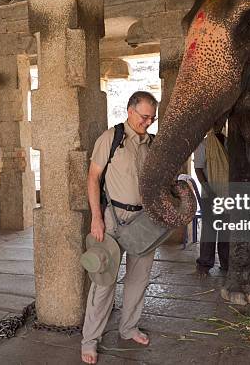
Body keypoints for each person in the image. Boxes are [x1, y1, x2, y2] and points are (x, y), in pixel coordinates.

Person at [81, 91, 158, 364]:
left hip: (144, 221)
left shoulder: (153, 144)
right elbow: (92, 178)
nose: (148, 122)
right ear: (130, 111)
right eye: (144, 116)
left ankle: (129, 328)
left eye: (152, 118)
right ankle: (90, 340)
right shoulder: (110, 138)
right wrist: (96, 218)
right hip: (112, 219)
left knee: (139, 279)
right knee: (103, 282)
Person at [193, 121, 230, 276]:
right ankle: (205, 264)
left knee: (226, 231)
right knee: (209, 230)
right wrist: (209, 189)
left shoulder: (228, 143)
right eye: (215, 125)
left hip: (227, 194)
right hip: (210, 194)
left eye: (220, 125)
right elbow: (198, 169)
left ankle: (226, 263)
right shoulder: (203, 144)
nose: (218, 128)